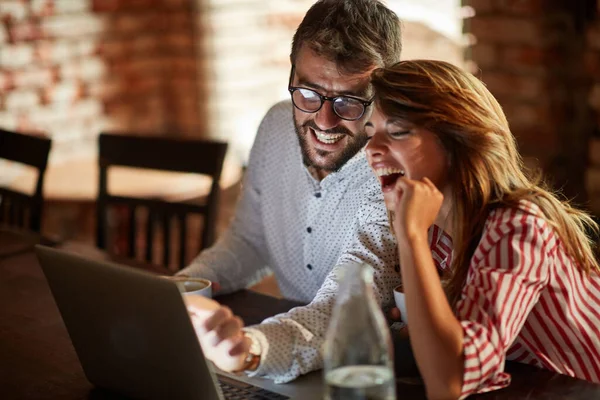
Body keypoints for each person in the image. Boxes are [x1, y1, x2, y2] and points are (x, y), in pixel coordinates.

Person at [180, 0, 402, 383]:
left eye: (349, 100)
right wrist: (182, 290)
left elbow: (344, 305)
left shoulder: (393, 166)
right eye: (309, 93)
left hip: (363, 372)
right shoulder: (275, 125)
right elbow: (250, 240)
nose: (324, 121)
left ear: (381, 94)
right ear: (292, 74)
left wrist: (251, 350)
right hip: (285, 350)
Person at [364, 59, 600, 399]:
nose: (371, 149)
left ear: (459, 138)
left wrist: (410, 238)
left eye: (398, 131)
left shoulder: (518, 227)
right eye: (370, 134)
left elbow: (449, 382)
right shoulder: (435, 230)